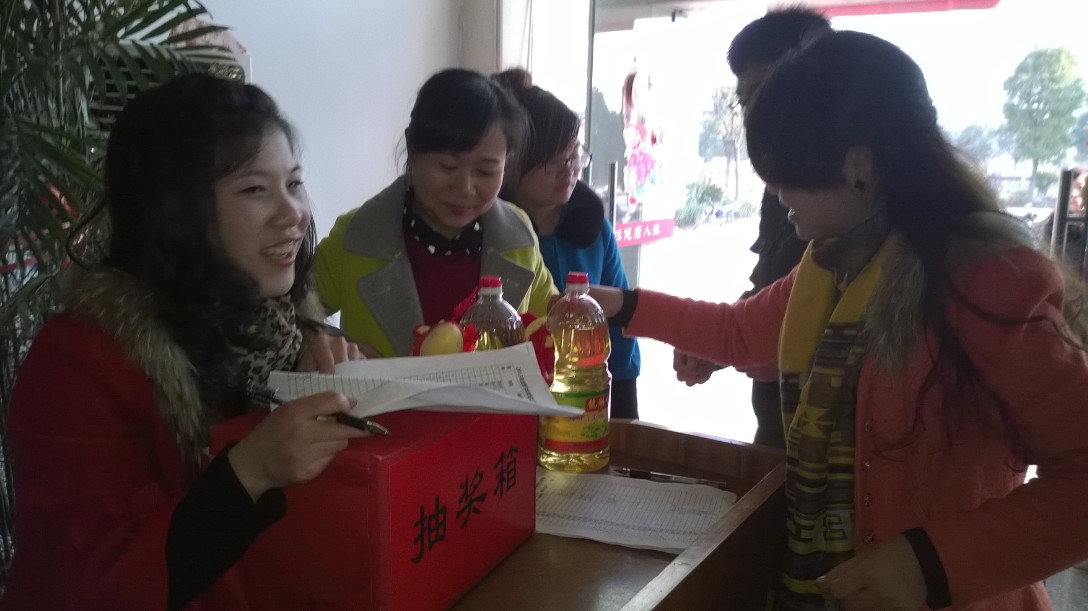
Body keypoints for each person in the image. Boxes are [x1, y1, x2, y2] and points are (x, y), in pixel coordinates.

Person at [591, 31, 1088, 610]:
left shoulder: (981, 278)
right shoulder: (830, 263)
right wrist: (621, 305)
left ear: (858, 168)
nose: (777, 196)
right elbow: (740, 333)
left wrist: (929, 562)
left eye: (787, 176)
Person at [4, 73, 368, 610]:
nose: (293, 214)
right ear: (175, 211)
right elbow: (91, 583)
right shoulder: (78, 363)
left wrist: (334, 379)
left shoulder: (284, 327)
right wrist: (251, 469)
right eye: (255, 190)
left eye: (294, 184)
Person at [672, 7, 831, 449]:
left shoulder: (880, 217)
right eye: (745, 102)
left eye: (767, 93)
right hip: (781, 434)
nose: (753, 117)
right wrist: (721, 345)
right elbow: (772, 294)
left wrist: (732, 342)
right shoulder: (778, 189)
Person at [315, 68, 556, 357]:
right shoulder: (356, 238)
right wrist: (333, 344)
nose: (465, 188)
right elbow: (288, 317)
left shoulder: (517, 239)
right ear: (412, 149)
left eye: (486, 171)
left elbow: (550, 324)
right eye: (447, 166)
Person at [493, 68, 641, 419]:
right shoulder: (491, 233)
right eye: (552, 161)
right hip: (509, 400)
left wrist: (624, 411)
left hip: (585, 394)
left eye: (575, 155)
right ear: (510, 163)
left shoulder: (593, 227)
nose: (570, 169)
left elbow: (618, 326)